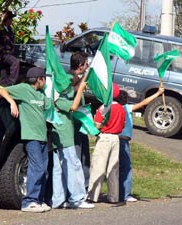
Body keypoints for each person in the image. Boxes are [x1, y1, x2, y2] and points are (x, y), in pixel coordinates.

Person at [0, 67, 51, 213]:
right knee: (37, 167)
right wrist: (12, 102)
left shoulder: (41, 94)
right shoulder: (23, 88)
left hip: (42, 136)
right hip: (31, 136)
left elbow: (49, 106)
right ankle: (29, 201)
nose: (46, 81)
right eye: (44, 78)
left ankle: (39, 200)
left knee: (44, 170)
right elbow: (2, 90)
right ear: (39, 79)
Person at [50, 72, 94, 209]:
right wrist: (80, 90)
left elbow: (73, 89)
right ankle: (77, 198)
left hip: (59, 137)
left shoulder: (58, 96)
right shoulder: (59, 99)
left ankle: (58, 199)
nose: (70, 86)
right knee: (73, 166)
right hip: (65, 137)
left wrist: (83, 79)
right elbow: (73, 106)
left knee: (58, 169)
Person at [118, 85, 164, 202]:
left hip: (114, 139)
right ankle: (124, 194)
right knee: (126, 167)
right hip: (123, 140)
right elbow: (144, 102)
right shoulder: (127, 108)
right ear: (126, 100)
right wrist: (158, 93)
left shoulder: (113, 108)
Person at [87, 83, 126, 203]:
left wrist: (92, 121)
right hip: (116, 138)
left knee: (98, 167)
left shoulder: (104, 108)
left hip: (104, 138)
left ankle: (93, 196)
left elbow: (98, 125)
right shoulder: (121, 108)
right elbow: (123, 124)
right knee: (113, 168)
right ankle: (114, 196)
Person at [69, 52, 91, 189]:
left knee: (84, 155)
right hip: (72, 123)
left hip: (82, 122)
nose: (87, 66)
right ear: (80, 66)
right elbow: (71, 91)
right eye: (86, 64)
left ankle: (86, 185)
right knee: (76, 156)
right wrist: (84, 80)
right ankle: (76, 187)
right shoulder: (68, 77)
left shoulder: (79, 77)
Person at [0, 10, 20, 86]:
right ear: (7, 19)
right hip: (3, 53)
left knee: (4, 71)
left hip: (9, 53)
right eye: (11, 19)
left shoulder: (10, 29)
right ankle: (11, 82)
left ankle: (4, 86)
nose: (12, 21)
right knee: (15, 62)